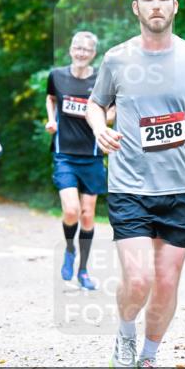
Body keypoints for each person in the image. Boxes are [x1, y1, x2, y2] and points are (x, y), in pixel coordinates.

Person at [86, 0, 185, 369]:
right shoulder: (116, 58)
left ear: (175, 6)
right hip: (129, 186)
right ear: (136, 7)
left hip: (181, 187)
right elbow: (96, 104)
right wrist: (99, 128)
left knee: (166, 282)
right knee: (139, 279)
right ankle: (125, 334)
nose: (156, 5)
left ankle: (149, 357)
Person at [45, 31, 114, 291]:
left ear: (93, 54)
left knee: (87, 216)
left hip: (92, 155)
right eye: (77, 48)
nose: (81, 52)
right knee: (71, 210)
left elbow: (114, 107)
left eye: (86, 49)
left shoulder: (101, 80)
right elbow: (51, 98)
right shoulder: (57, 76)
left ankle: (83, 270)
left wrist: (101, 119)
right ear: (71, 49)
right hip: (64, 154)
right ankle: (69, 249)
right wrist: (51, 120)